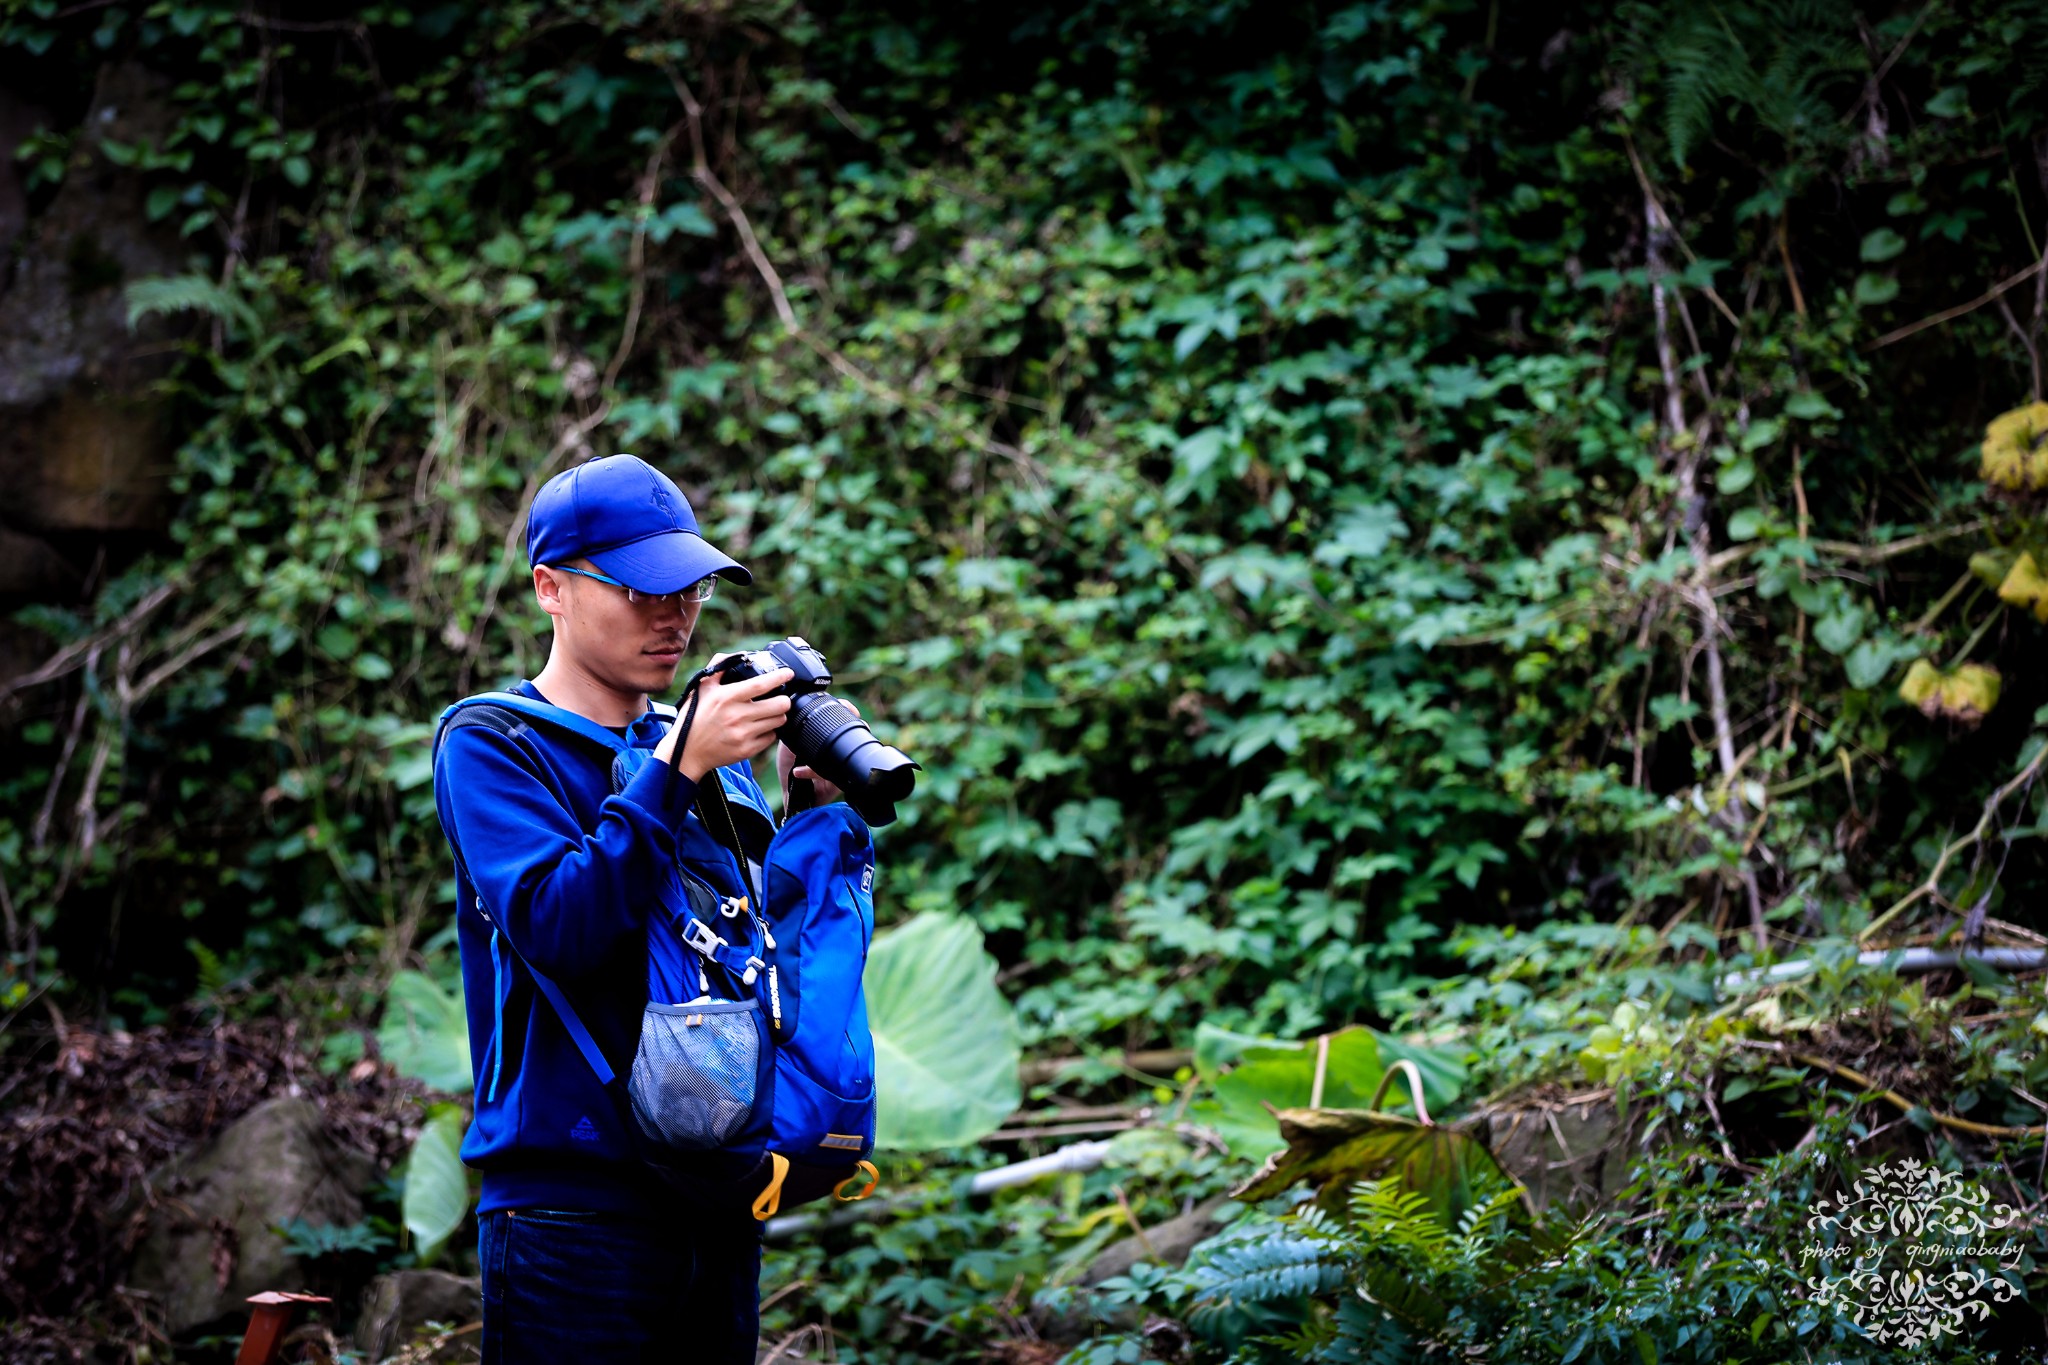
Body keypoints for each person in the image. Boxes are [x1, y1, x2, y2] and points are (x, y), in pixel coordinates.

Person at [432, 453, 840, 1364]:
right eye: (640, 589)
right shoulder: (492, 742)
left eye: (689, 588)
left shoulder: (698, 745)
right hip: (570, 1211)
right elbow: (562, 927)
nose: (675, 615)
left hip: (714, 1190)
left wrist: (805, 812)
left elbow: (742, 956)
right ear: (551, 588)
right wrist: (676, 768)